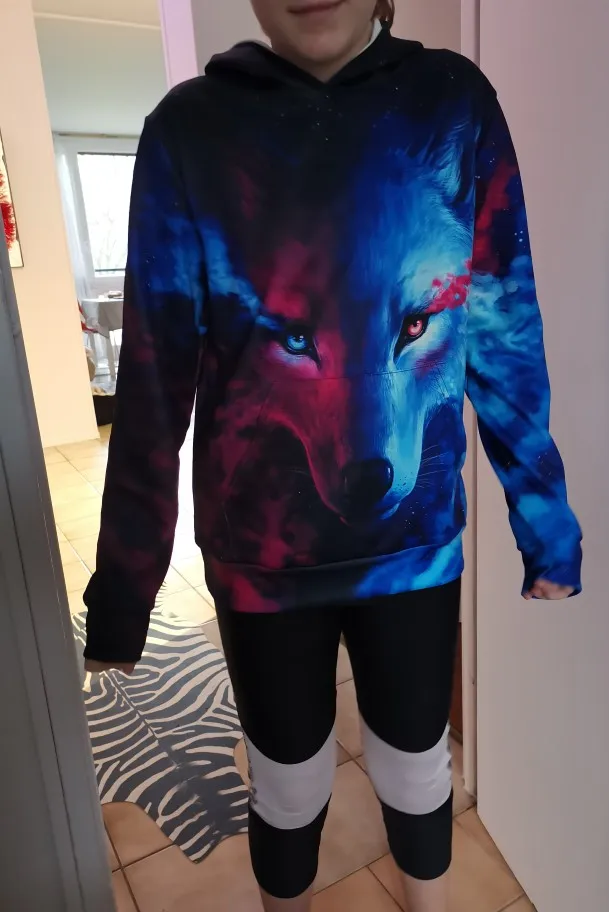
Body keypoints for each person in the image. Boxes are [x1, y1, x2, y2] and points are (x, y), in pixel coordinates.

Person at [83, 1, 583, 909]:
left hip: (415, 551)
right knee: (287, 788)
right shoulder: (190, 132)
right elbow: (154, 376)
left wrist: (544, 517)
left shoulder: (454, 106)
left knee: (417, 768)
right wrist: (125, 586)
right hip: (260, 561)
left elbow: (502, 325)